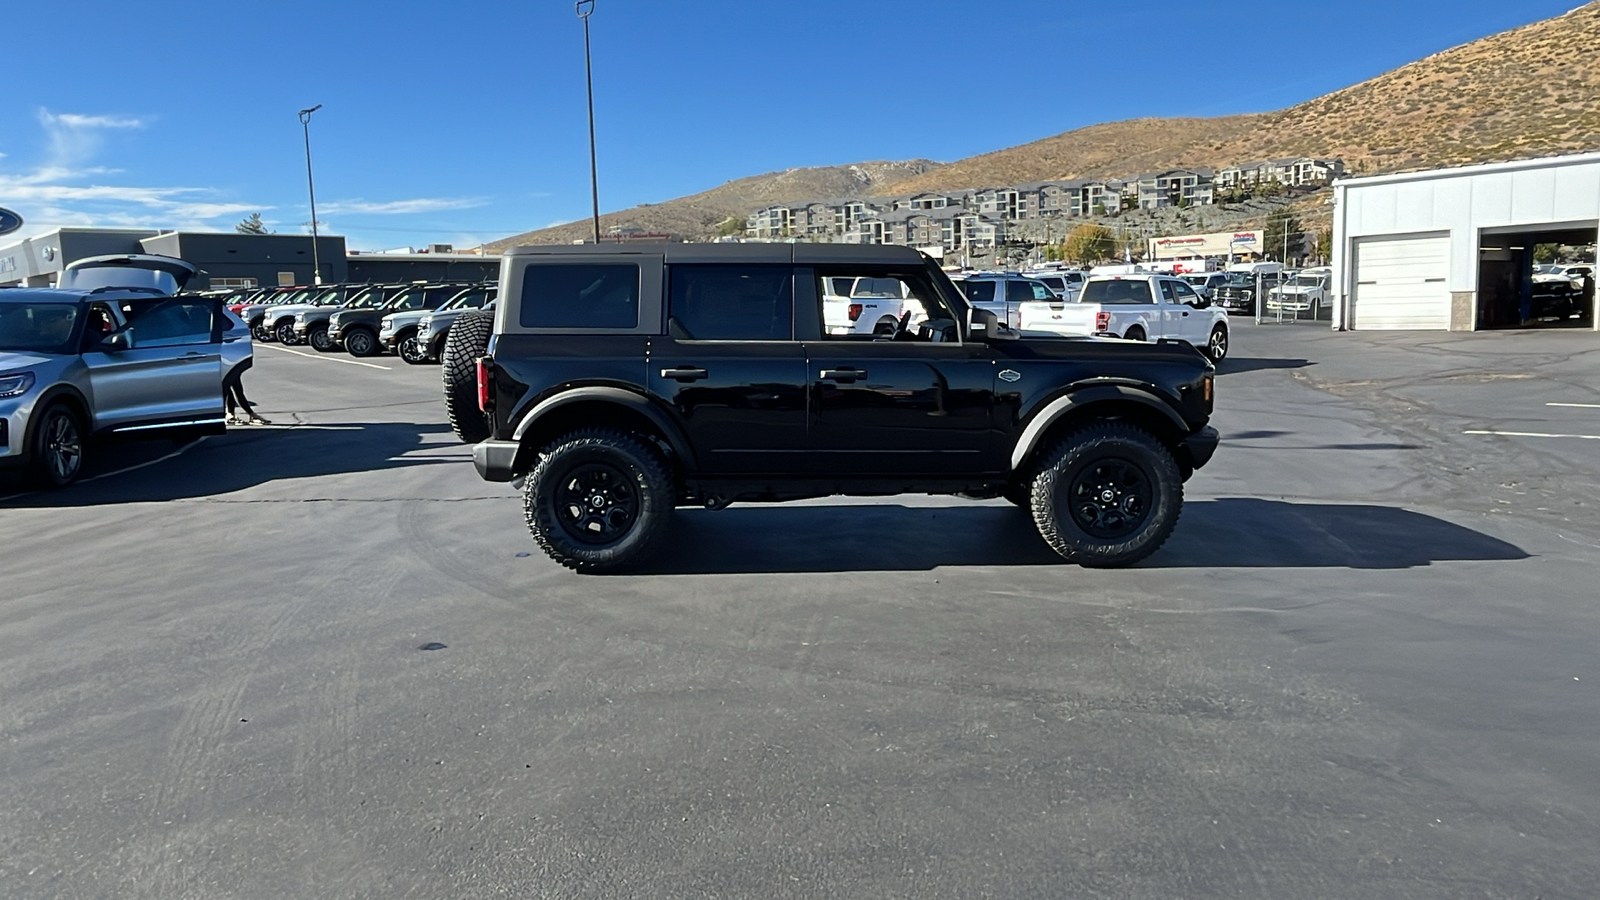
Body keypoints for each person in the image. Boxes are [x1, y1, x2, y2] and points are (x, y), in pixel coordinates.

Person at [220, 306, 269, 426]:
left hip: (227, 356)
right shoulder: (223, 320)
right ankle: (237, 414)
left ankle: (233, 414)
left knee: (231, 386)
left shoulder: (218, 320)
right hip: (227, 357)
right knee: (230, 386)